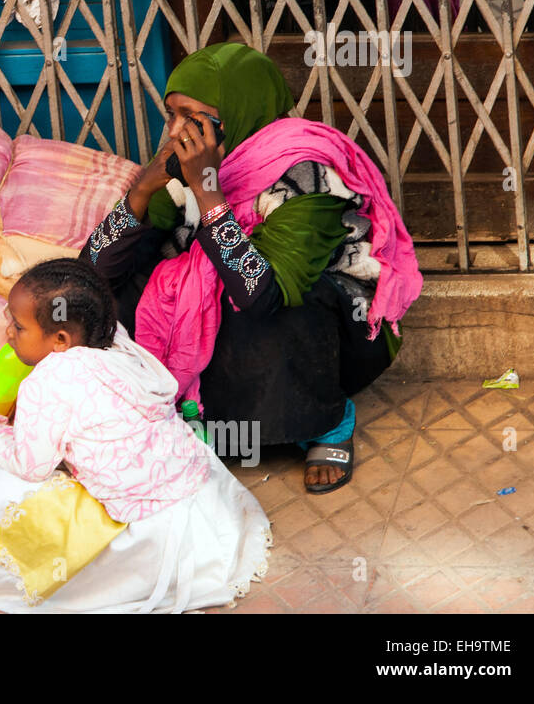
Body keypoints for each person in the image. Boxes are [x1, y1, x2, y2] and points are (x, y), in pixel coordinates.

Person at [81, 42, 423, 493]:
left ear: (238, 114)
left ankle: (327, 422)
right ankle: (202, 413)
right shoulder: (185, 166)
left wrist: (208, 192)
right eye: (172, 115)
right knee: (116, 294)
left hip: (323, 331)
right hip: (232, 314)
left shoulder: (306, 172)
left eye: (193, 118)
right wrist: (144, 188)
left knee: (267, 307)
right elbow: (92, 271)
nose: (177, 132)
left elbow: (261, 293)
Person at [0, 259, 271, 613]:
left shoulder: (48, 382)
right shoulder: (115, 339)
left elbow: (30, 467)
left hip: (143, 527)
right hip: (191, 493)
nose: (8, 333)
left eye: (18, 326)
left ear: (60, 339)